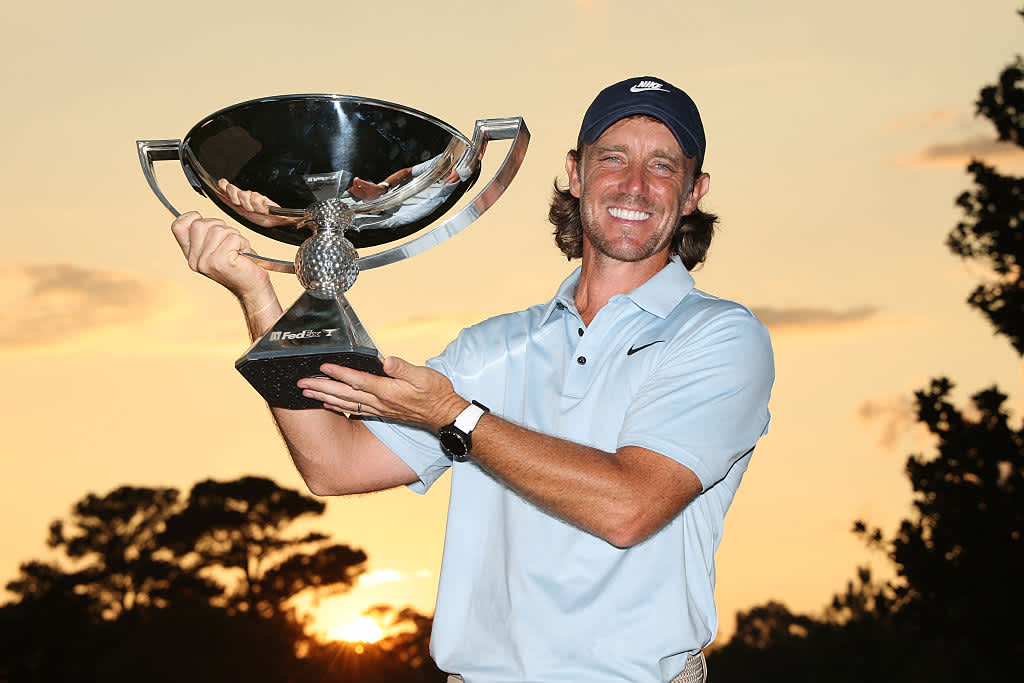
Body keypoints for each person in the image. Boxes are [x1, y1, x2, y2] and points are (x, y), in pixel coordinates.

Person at [171, 76, 774, 683]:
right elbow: (335, 464)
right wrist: (257, 296)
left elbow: (629, 506)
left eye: (662, 166)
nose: (635, 185)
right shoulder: (492, 348)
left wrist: (455, 418)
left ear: (693, 193)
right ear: (575, 173)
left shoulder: (720, 336)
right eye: (612, 158)